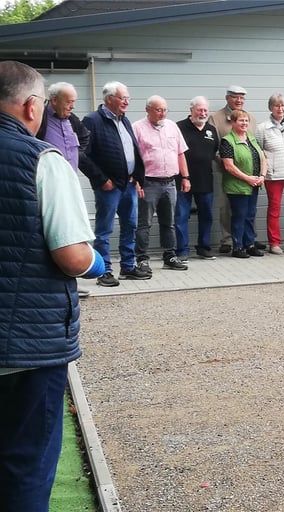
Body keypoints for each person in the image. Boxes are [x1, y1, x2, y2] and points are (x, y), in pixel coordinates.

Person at [0, 60, 104, 511]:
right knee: (25, 464)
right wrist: (99, 262)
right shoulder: (41, 159)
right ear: (30, 106)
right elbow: (73, 256)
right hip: (25, 344)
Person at [81, 81, 149, 286]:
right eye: (123, 98)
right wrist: (101, 180)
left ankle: (128, 267)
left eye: (128, 98)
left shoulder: (124, 120)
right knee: (104, 230)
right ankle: (104, 271)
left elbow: (132, 151)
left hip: (128, 184)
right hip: (109, 187)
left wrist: (137, 178)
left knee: (130, 226)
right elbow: (82, 155)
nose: (126, 102)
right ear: (109, 99)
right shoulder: (92, 120)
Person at [36, 81, 93, 298]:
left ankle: (71, 282)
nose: (71, 106)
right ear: (54, 100)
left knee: (71, 232)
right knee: (56, 234)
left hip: (69, 183)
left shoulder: (72, 119)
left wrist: (76, 155)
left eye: (74, 102)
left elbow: (85, 136)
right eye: (68, 102)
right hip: (48, 185)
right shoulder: (41, 119)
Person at [132, 95, 190, 272]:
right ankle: (141, 258)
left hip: (170, 182)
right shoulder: (137, 128)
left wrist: (186, 177)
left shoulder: (172, 127)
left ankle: (170, 256)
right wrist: (136, 182)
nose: (162, 113)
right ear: (147, 109)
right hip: (148, 182)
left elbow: (180, 153)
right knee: (144, 223)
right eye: (158, 110)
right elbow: (132, 157)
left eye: (165, 110)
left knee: (169, 222)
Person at [254, 93, 284, 255]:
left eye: (283, 105)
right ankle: (274, 242)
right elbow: (259, 151)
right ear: (271, 108)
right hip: (274, 175)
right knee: (274, 209)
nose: (280, 109)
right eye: (277, 105)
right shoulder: (262, 128)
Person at [175, 96, 219, 261]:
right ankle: (182, 251)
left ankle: (204, 248)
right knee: (181, 216)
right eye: (199, 110)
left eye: (205, 110)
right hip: (182, 180)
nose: (203, 113)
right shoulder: (178, 127)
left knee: (206, 216)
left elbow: (214, 152)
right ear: (191, 110)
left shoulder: (211, 130)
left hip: (205, 180)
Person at [219, 109, 266, 259]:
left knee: (250, 215)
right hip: (237, 187)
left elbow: (263, 158)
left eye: (246, 120)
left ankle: (249, 245)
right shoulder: (227, 141)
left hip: (254, 184)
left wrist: (262, 176)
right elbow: (228, 166)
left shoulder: (251, 138)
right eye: (241, 120)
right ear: (233, 123)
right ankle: (238, 247)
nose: (244, 123)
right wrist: (248, 178)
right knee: (239, 216)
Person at [211, 85, 250, 254]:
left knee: (247, 209)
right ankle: (227, 239)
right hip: (226, 171)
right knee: (227, 207)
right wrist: (227, 164)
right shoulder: (215, 118)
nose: (239, 100)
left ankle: (246, 240)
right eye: (235, 97)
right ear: (227, 98)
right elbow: (213, 147)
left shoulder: (249, 118)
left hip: (248, 174)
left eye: (242, 97)